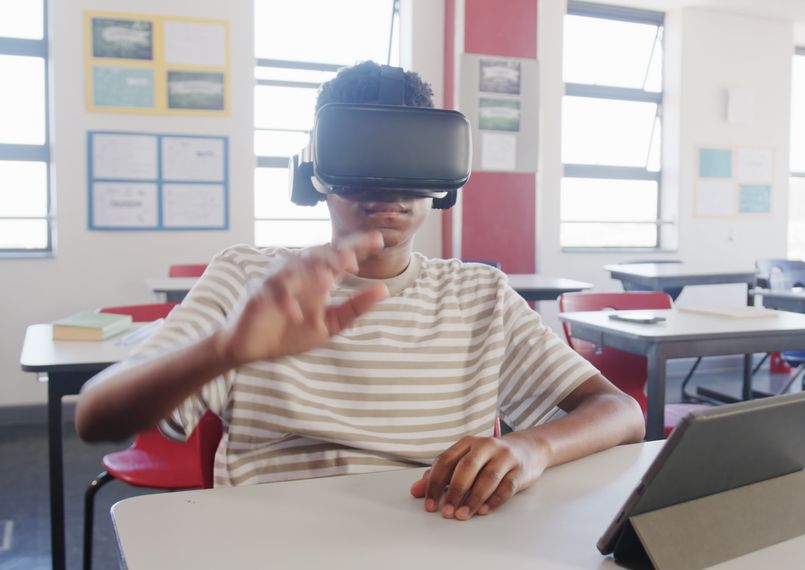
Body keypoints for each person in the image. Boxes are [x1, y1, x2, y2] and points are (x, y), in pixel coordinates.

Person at [75, 61, 644, 522]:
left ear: (441, 175)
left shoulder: (480, 295)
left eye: (408, 160)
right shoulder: (252, 279)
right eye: (362, 160)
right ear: (318, 171)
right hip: (273, 539)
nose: (386, 187)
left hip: (439, 532)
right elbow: (97, 417)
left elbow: (620, 413)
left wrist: (532, 447)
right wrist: (225, 348)